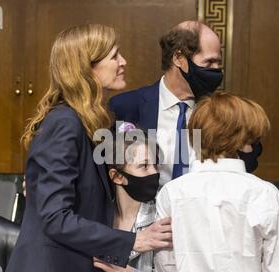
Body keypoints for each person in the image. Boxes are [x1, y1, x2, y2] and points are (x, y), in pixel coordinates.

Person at [3, 25, 172, 272]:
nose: (123, 62)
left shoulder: (97, 121)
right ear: (86, 68)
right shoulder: (64, 123)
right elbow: (56, 218)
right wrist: (133, 241)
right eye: (115, 56)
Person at [154, 91, 279, 272]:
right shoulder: (264, 193)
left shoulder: (171, 193)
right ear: (240, 140)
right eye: (251, 136)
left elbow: (168, 270)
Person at [109, 21, 263, 187]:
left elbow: (248, 164)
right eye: (209, 62)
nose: (216, 71)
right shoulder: (125, 106)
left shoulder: (223, 113)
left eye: (218, 63)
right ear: (178, 58)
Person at [93, 122, 177, 272]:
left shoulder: (162, 220)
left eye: (156, 165)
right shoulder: (96, 219)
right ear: (117, 176)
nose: (154, 173)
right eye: (144, 166)